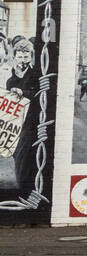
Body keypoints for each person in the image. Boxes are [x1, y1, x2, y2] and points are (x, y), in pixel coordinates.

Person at [4, 36, 41, 195]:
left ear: (31, 57)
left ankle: (26, 191)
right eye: (20, 56)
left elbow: (40, 96)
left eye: (26, 56)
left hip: (30, 125)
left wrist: (24, 93)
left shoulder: (36, 75)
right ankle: (23, 190)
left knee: (25, 161)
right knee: (18, 158)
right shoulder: (11, 80)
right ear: (14, 57)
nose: (23, 59)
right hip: (16, 126)